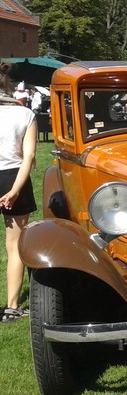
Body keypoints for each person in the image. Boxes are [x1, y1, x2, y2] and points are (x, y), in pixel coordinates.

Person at [0, 63, 37, 322]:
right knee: (15, 246)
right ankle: (12, 307)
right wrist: (14, 190)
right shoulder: (25, 114)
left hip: (12, 176)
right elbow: (30, 156)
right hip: (14, 176)